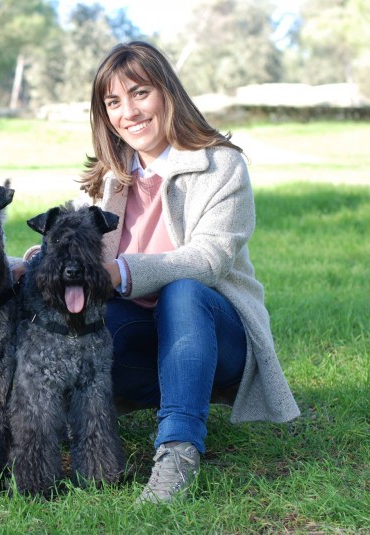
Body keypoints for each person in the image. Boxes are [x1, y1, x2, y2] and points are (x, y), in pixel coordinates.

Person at [51, 41, 299, 504]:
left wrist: (118, 271)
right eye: (113, 102)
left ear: (167, 92)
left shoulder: (220, 164)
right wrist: (31, 263)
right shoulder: (109, 175)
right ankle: (63, 421)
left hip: (214, 337)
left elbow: (209, 258)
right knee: (84, 320)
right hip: (143, 343)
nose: (128, 112)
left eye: (140, 93)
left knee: (183, 290)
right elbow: (73, 243)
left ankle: (177, 452)